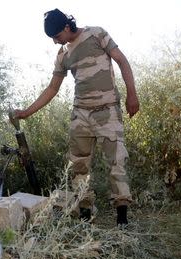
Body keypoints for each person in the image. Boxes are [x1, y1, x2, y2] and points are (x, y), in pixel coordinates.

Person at [14, 8, 139, 226]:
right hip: (80, 115)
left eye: (56, 36)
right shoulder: (63, 54)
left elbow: (122, 60)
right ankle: (85, 213)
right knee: (78, 166)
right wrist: (27, 112)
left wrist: (132, 94)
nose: (55, 42)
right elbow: (52, 88)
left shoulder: (96, 34)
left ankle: (122, 218)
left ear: (66, 26)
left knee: (116, 162)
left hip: (107, 110)